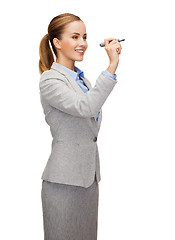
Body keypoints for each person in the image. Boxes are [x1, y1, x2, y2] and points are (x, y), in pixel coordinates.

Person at [38, 12, 122, 240]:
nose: (82, 43)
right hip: (63, 182)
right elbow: (85, 107)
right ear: (57, 42)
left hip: (89, 179)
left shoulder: (83, 81)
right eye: (75, 37)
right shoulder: (50, 80)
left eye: (84, 37)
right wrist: (111, 66)